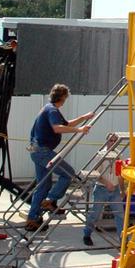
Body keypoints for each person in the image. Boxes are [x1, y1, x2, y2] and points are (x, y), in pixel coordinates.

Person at [26, 84, 92, 230]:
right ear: (62, 97)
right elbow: (58, 128)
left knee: (43, 185)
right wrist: (79, 130)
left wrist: (84, 117)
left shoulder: (49, 108)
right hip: (42, 151)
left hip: (36, 151)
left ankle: (32, 218)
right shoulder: (52, 110)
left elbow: (66, 124)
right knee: (68, 173)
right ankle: (51, 200)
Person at [83, 132, 126, 248]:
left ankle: (122, 240)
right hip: (102, 189)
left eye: (115, 141)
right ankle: (87, 234)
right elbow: (94, 173)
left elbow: (120, 174)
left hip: (115, 190)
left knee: (120, 215)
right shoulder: (100, 155)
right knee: (95, 214)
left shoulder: (120, 155)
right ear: (106, 141)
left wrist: (122, 190)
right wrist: (106, 183)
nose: (112, 143)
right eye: (110, 140)